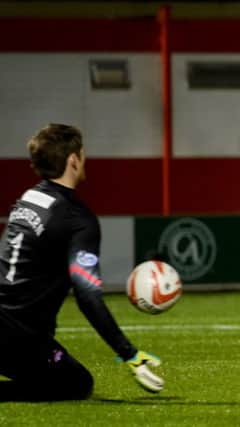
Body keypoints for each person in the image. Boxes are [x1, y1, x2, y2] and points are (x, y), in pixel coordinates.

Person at [0, 124, 163, 401]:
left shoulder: (27, 199)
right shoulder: (77, 219)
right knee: (76, 383)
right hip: (19, 337)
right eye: (82, 154)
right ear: (73, 160)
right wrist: (129, 354)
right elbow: (87, 295)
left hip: (9, 327)